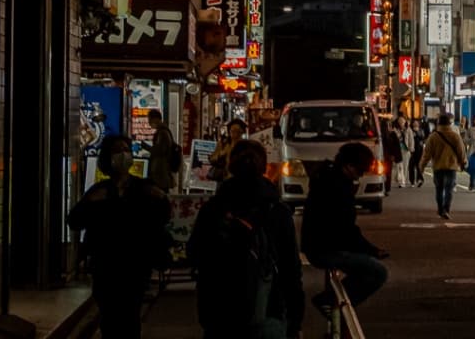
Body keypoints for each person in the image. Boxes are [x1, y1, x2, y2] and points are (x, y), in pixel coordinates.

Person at [190, 138, 304, 339]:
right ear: (264, 167)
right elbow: (291, 269)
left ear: (231, 166)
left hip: (220, 313)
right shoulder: (277, 211)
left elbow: (195, 253)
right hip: (268, 309)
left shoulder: (214, 209)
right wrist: (295, 319)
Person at [68, 132, 171, 339]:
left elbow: (163, 217)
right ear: (108, 158)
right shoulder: (99, 191)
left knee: (130, 317)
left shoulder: (144, 187)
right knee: (110, 318)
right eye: (117, 151)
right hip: (106, 266)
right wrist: (91, 203)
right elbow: (75, 221)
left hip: (135, 265)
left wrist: (162, 199)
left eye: (126, 150)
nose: (123, 155)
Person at [300, 143, 390, 310]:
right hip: (326, 248)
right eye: (359, 171)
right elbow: (345, 229)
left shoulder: (326, 178)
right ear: (348, 166)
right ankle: (330, 301)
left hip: (319, 244)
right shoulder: (338, 187)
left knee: (367, 266)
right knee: (377, 272)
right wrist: (371, 250)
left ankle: (333, 303)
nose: (360, 176)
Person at [420, 113, 467, 222]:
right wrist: (463, 162)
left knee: (439, 189)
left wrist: (421, 166)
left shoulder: (433, 136)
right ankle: (446, 209)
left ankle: (440, 209)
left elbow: (427, 154)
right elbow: (461, 151)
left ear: (438, 123)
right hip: (451, 166)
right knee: (449, 189)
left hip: (438, 166)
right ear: (450, 123)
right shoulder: (455, 136)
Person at [144, 109, 181, 193]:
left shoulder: (162, 132)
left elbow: (160, 150)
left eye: (150, 120)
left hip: (161, 172)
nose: (149, 123)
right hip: (161, 172)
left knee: (160, 194)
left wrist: (147, 147)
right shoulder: (164, 131)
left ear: (156, 119)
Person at [209, 119, 248, 185]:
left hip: (241, 180)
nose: (235, 134)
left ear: (242, 132)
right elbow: (212, 159)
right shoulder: (223, 144)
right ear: (229, 131)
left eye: (238, 131)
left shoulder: (246, 145)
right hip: (224, 179)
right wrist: (221, 154)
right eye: (232, 131)